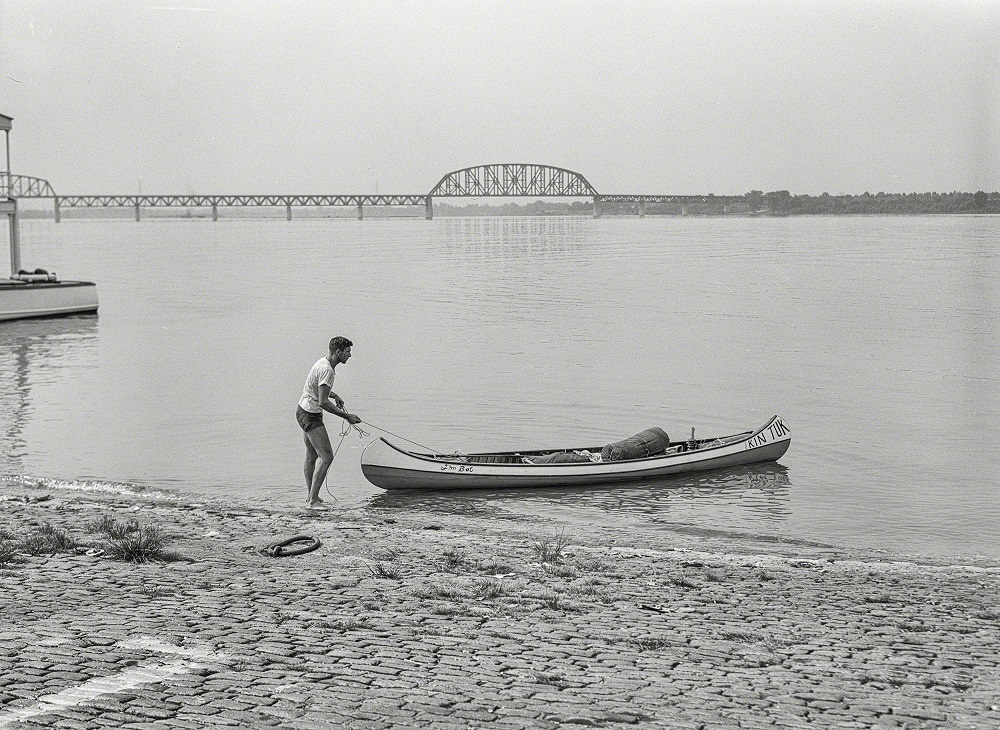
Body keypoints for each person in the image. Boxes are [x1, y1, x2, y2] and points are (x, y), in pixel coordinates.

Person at [296, 336, 361, 508]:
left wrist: (335, 395)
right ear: (338, 352)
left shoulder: (323, 363)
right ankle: (313, 500)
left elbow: (319, 389)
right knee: (327, 457)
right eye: (347, 352)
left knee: (312, 456)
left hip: (302, 410)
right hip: (310, 414)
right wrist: (347, 417)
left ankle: (311, 496)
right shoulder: (328, 370)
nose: (350, 355)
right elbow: (323, 402)